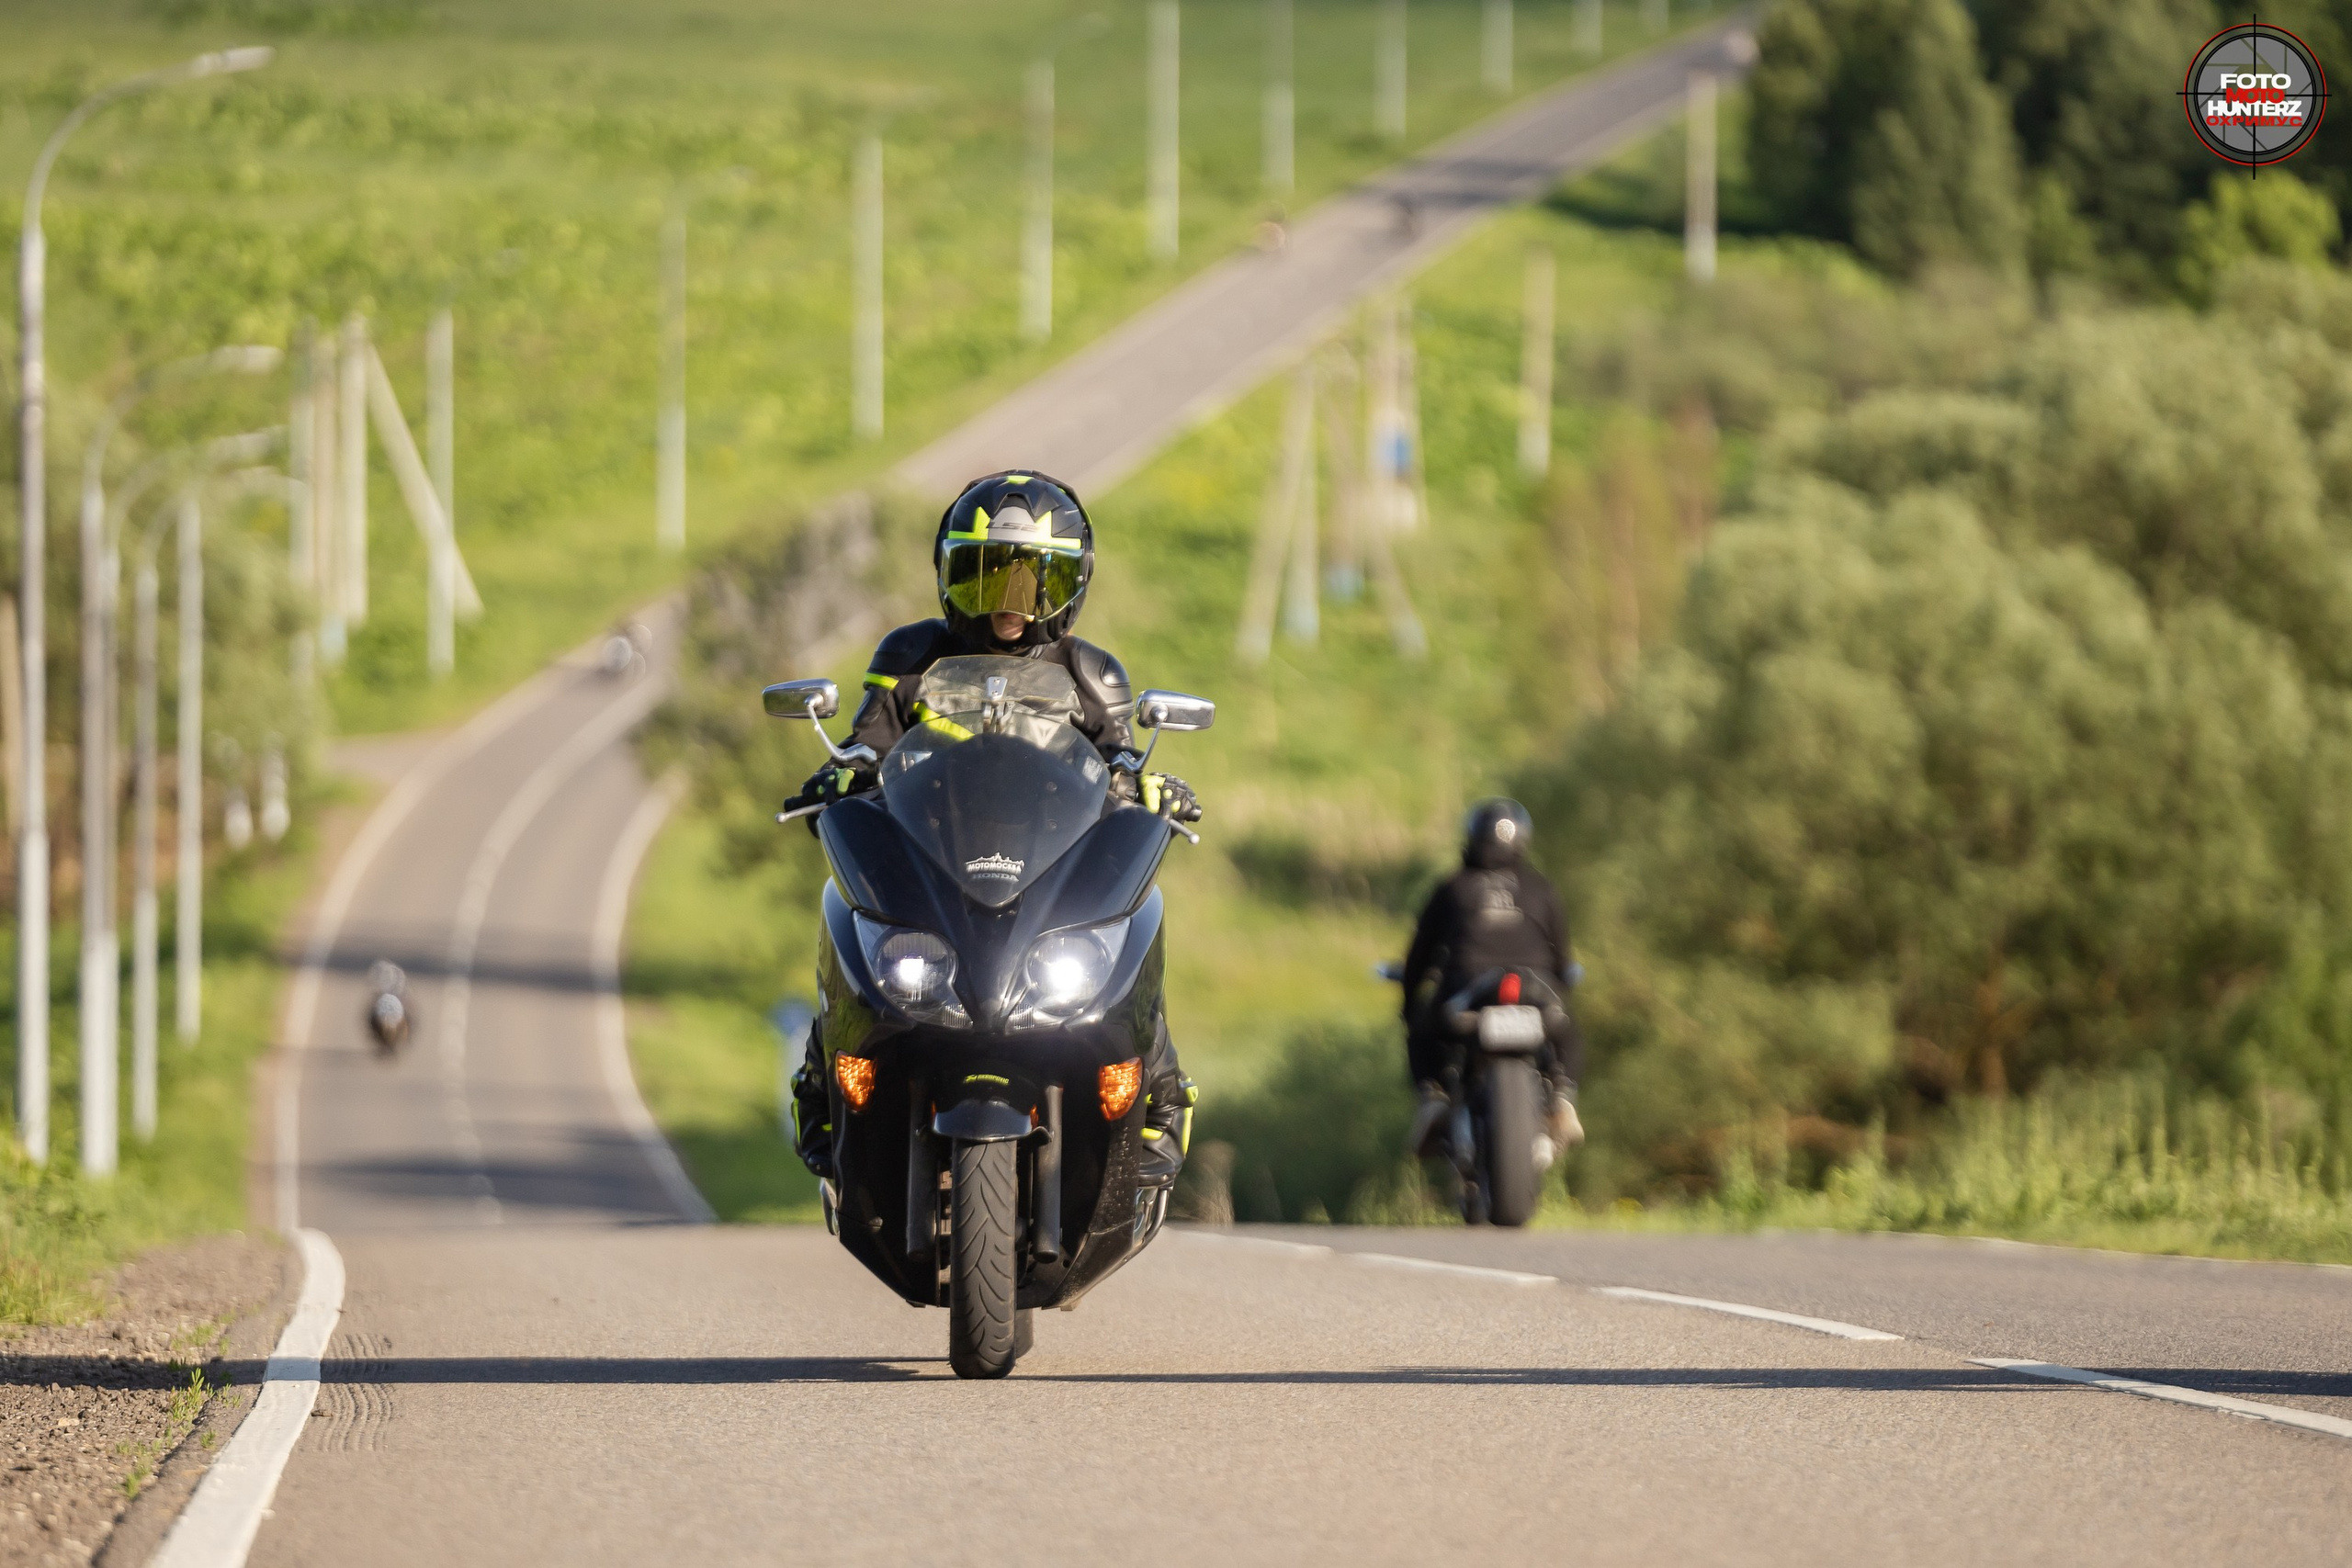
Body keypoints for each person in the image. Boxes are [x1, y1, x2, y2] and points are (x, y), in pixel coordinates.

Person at [781, 469, 1200, 1190]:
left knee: (1137, 933)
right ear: (948, 577)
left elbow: (1121, 759)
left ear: (1071, 584)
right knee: (842, 920)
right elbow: (870, 741)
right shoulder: (909, 657)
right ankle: (823, 1082)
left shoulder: (1091, 672)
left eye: (1033, 581)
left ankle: (1160, 1095)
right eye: (986, 579)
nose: (1010, 604)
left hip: (1048, 876)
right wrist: (840, 769)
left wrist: (1150, 783)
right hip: (933, 864)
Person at [1398, 798, 1584, 1156]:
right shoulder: (1540, 887)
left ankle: (1435, 1099)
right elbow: (1563, 959)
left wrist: (1409, 1004)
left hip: (1469, 990)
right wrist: (1562, 987)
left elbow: (1419, 956)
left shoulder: (1452, 887)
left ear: (1472, 836)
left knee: (1422, 1027)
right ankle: (1562, 1097)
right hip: (1535, 990)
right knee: (1569, 1029)